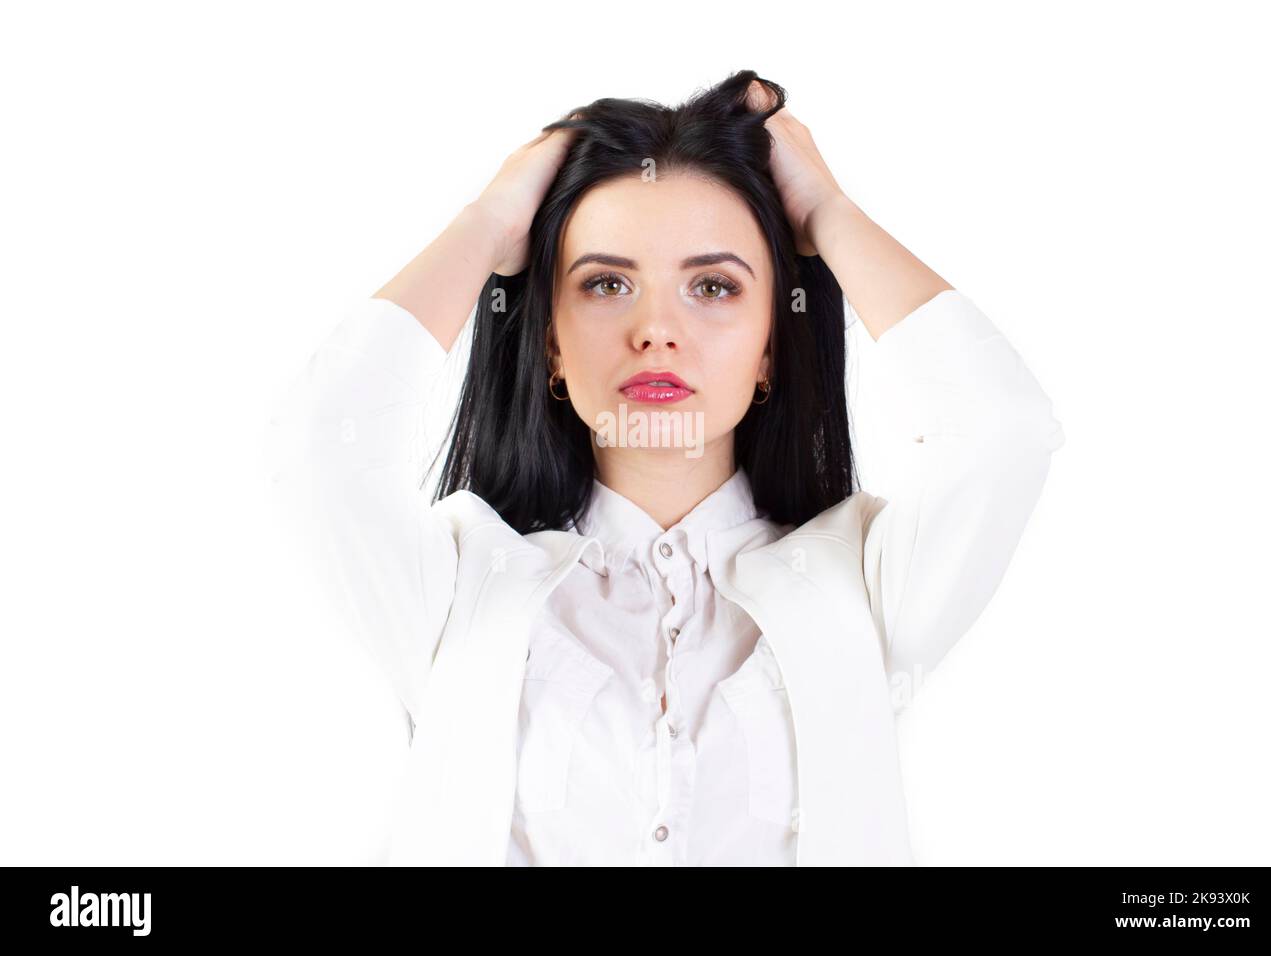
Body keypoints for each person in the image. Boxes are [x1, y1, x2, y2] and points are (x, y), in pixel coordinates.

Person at [265, 70, 1065, 866]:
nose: (657, 329)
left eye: (713, 286)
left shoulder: (860, 582)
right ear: (548, 340)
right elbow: (321, 442)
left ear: (770, 349)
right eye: (607, 283)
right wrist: (489, 224)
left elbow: (1005, 432)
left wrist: (830, 213)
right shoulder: (460, 584)